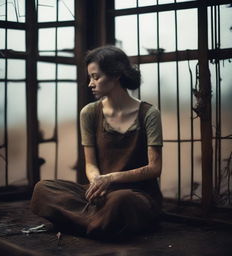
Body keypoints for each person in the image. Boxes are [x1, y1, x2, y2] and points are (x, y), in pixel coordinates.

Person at [30, 45, 163, 241]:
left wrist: (111, 178)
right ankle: (101, 225)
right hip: (101, 193)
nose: (90, 83)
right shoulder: (89, 113)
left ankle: (82, 223)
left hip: (136, 195)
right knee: (43, 189)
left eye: (96, 77)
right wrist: (96, 182)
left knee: (121, 201)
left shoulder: (149, 114)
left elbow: (154, 168)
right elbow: (90, 164)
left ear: (116, 74)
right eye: (90, 77)